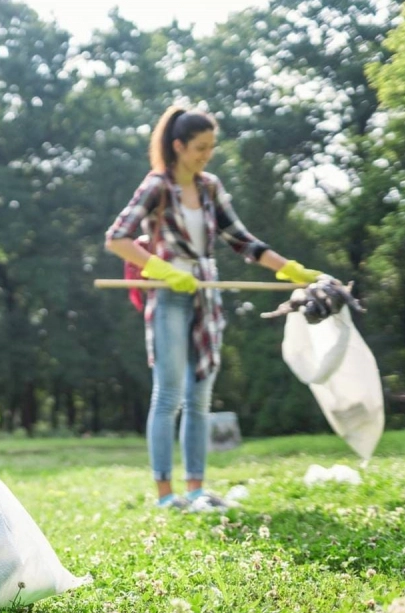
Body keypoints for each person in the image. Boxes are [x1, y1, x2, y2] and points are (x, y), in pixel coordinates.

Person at [104, 105, 324, 509]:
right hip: (169, 294)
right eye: (200, 147)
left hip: (206, 295)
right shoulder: (156, 186)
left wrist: (288, 269)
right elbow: (116, 238)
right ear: (178, 146)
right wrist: (161, 269)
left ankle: (196, 489)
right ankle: (165, 495)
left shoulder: (209, 188)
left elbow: (242, 240)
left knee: (200, 398)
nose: (207, 154)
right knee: (168, 395)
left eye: (211, 147)